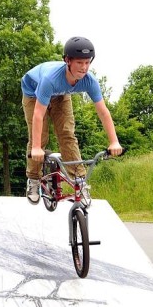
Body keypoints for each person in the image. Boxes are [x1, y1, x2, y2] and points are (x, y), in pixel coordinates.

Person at [21, 36, 123, 206]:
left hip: (61, 94)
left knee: (67, 133)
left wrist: (114, 142)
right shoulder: (50, 79)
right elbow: (38, 115)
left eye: (87, 63)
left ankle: (80, 181)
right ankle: (33, 179)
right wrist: (37, 148)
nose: (84, 68)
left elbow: (103, 112)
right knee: (39, 138)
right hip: (33, 94)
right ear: (67, 61)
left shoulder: (89, 81)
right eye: (79, 63)